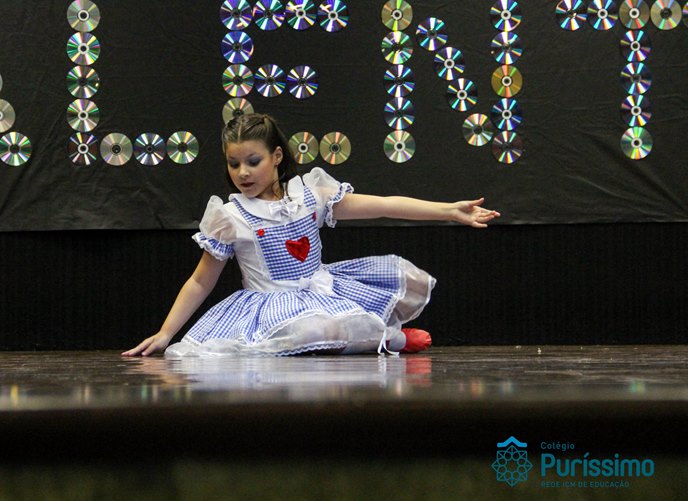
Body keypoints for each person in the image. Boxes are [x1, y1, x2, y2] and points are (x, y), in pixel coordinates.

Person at [122, 113, 500, 358]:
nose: (243, 173)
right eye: (234, 164)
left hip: (323, 289)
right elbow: (200, 281)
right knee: (315, 330)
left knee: (384, 290)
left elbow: (384, 204)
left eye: (253, 161)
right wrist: (166, 332)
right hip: (269, 305)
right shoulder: (230, 217)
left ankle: (387, 336)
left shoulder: (309, 196)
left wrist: (449, 210)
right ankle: (389, 338)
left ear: (276, 157)